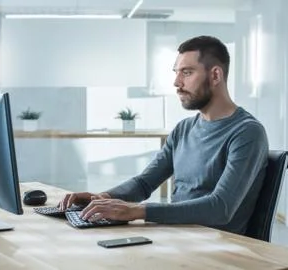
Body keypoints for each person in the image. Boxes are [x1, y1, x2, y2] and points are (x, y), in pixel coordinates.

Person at [59, 35, 269, 235]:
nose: (177, 83)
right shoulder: (183, 129)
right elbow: (144, 183)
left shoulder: (247, 132)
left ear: (215, 75)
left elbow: (220, 207)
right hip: (177, 237)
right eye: (176, 72)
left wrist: (136, 211)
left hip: (219, 249)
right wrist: (103, 198)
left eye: (186, 73)